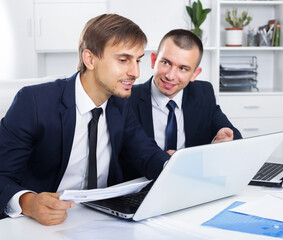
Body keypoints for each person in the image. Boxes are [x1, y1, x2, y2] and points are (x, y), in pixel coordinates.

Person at [0, 14, 170, 226]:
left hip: (101, 218)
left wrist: (174, 167)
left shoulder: (120, 103)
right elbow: (2, 175)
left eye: (138, 60)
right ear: (90, 59)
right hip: (45, 222)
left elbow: (145, 152)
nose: (135, 72)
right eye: (123, 60)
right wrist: (28, 202)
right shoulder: (33, 102)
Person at [122, 29, 242, 179]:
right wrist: (169, 162)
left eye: (183, 68)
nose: (170, 76)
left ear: (194, 74)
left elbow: (234, 136)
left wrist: (224, 138)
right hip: (144, 188)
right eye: (165, 63)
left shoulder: (203, 93)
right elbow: (129, 157)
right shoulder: (127, 99)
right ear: (154, 60)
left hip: (192, 183)